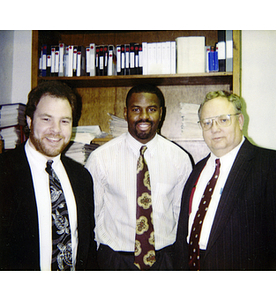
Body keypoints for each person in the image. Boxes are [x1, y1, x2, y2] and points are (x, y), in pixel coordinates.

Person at [175, 90, 276, 270]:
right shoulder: (196, 170)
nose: (215, 128)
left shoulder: (274, 165)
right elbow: (183, 234)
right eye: (207, 122)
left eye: (223, 120)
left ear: (240, 121)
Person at [85, 84, 193, 270]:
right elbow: (91, 215)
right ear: (126, 113)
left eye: (151, 109)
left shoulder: (180, 159)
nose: (144, 117)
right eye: (136, 110)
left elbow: (182, 216)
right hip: (114, 260)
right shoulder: (100, 158)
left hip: (164, 260)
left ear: (161, 113)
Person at [0, 81, 97, 270]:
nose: (56, 130)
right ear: (29, 120)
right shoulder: (4, 172)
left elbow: (87, 245)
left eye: (64, 121)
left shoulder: (82, 177)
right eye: (46, 119)